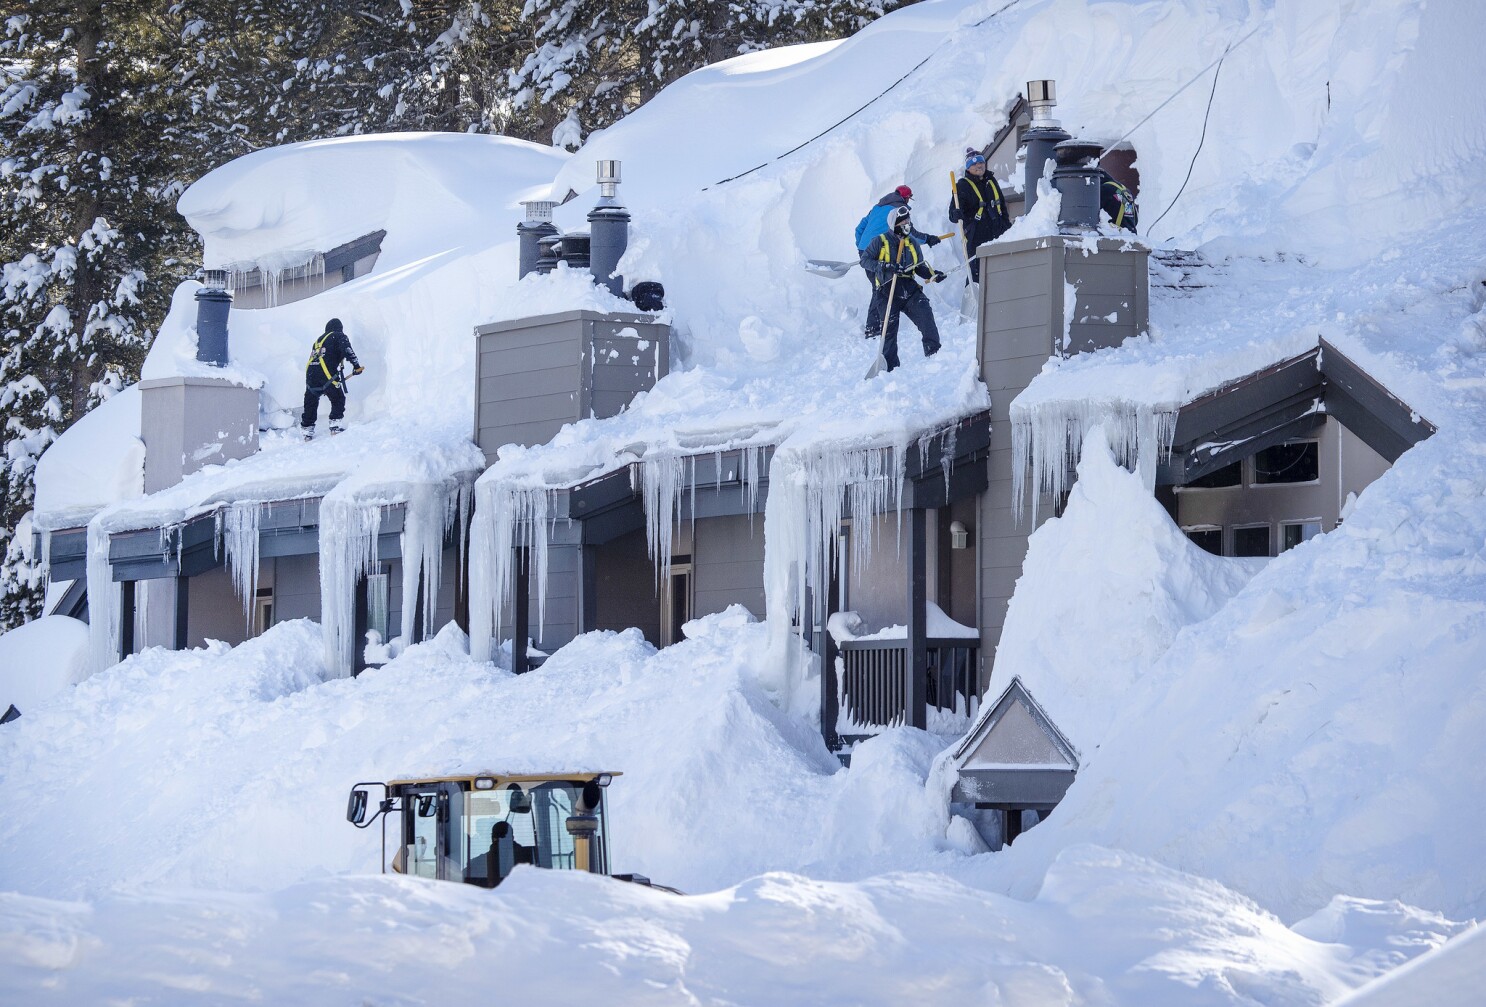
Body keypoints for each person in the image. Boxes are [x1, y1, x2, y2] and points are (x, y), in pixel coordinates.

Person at [863, 206, 946, 372]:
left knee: (926, 315)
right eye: (903, 222)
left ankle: (934, 352)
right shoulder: (880, 241)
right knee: (889, 330)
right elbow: (865, 261)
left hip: (909, 289)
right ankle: (890, 367)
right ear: (894, 224)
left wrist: (933, 274)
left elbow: (919, 267)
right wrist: (884, 266)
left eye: (908, 221)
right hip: (887, 291)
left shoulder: (912, 243)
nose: (907, 224)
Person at [855, 185, 941, 337]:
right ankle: (873, 328)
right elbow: (910, 234)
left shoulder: (877, 207)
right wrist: (928, 239)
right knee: (880, 287)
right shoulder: (899, 211)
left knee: (879, 286)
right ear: (906, 198)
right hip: (879, 251)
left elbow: (859, 228)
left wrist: (862, 247)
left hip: (866, 250)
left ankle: (875, 327)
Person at [949, 148, 1011, 283]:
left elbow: (1003, 207)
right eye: (974, 164)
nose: (979, 166)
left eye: (981, 162)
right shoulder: (962, 186)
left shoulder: (991, 181)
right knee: (977, 274)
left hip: (999, 233)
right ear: (968, 168)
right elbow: (952, 214)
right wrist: (956, 213)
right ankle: (973, 301)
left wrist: (1008, 228)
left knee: (1002, 271)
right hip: (977, 237)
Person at [300, 317, 363, 440]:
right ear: (339, 328)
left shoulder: (318, 341)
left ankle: (307, 431)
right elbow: (347, 350)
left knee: (311, 402)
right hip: (326, 375)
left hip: (311, 376)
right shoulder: (339, 336)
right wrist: (356, 366)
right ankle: (335, 426)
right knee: (338, 398)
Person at [1098, 168, 1138, 233]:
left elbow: (1090, 213)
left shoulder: (1105, 189)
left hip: (1118, 235)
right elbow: (1135, 219)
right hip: (1131, 233)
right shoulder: (1122, 188)